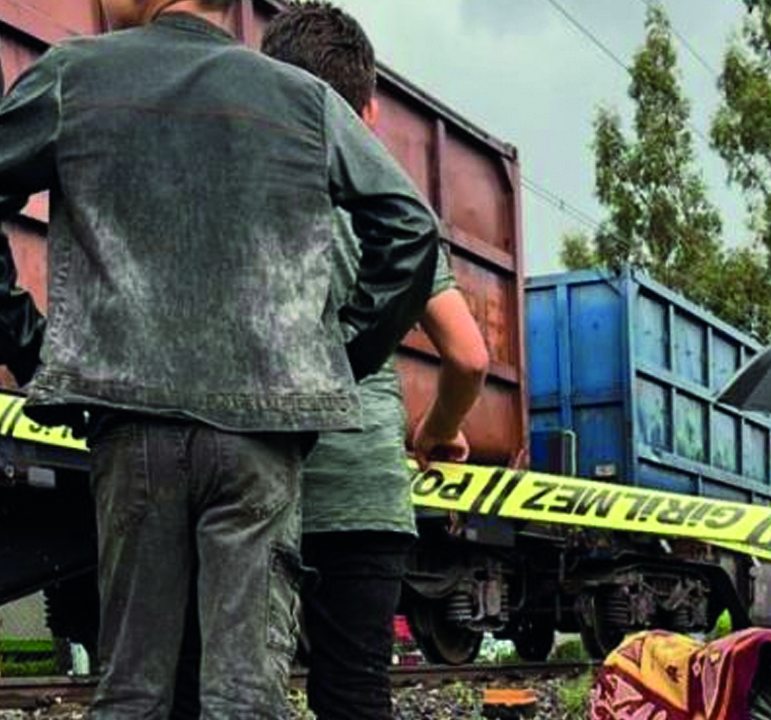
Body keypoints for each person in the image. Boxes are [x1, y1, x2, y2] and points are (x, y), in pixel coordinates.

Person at [0, 0, 441, 717]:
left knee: (134, 690)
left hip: (131, 426)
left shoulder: (75, 77)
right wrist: (330, 360)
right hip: (259, 439)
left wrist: (31, 344)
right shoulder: (303, 100)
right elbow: (410, 232)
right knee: (244, 693)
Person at [259, 4, 488, 718]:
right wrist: (436, 430)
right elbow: (468, 356)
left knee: (236, 685)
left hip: (261, 481)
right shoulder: (388, 207)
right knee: (355, 695)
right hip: (363, 493)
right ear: (370, 113)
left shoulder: (252, 196)